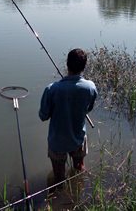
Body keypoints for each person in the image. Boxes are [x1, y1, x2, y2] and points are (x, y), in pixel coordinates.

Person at [39, 48, 98, 183]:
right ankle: (76, 193)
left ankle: (59, 197)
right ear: (84, 66)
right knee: (79, 170)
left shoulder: (52, 89)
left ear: (67, 64)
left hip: (57, 142)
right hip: (78, 139)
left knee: (58, 178)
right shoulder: (91, 87)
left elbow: (43, 116)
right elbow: (88, 109)